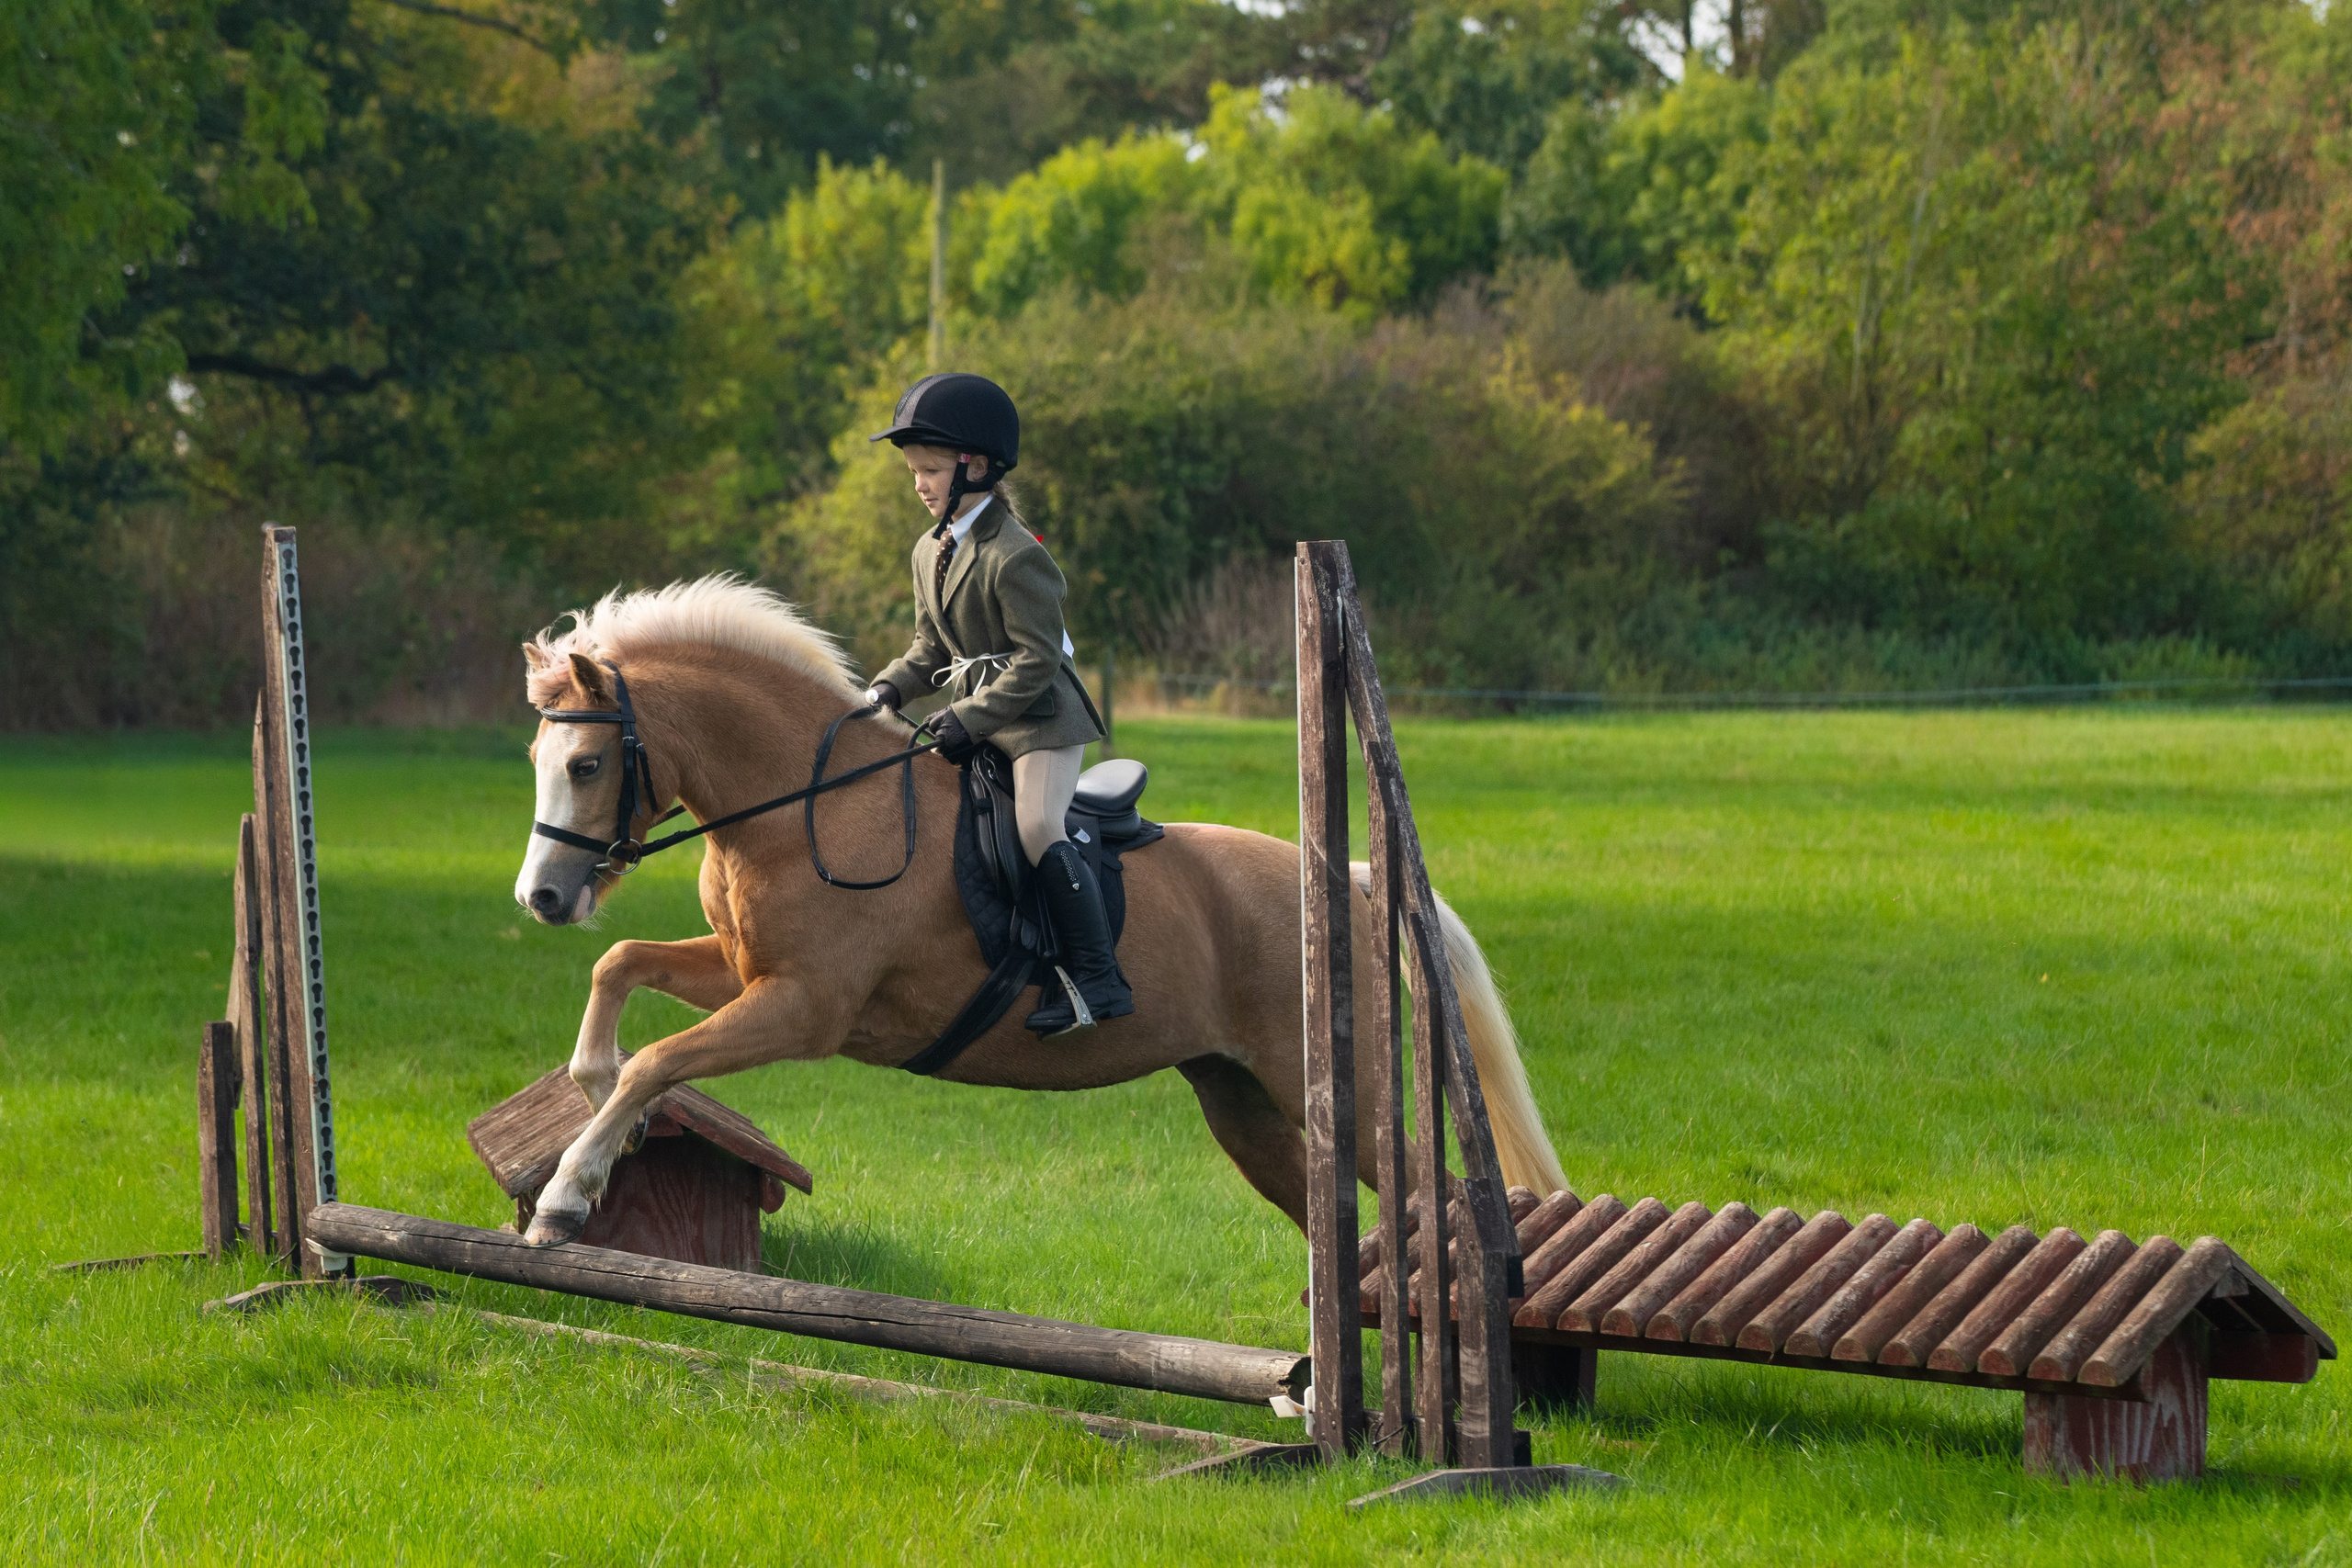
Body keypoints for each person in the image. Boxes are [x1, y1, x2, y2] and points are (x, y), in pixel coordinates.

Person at [863, 372, 1133, 1035]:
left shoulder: (1016, 555)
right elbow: (930, 647)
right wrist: (883, 689)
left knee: (1039, 826)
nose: (920, 484)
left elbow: (1038, 663)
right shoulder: (929, 550)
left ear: (976, 466)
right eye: (914, 472)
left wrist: (966, 716)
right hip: (978, 719)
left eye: (929, 470)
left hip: (1041, 721)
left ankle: (1099, 978)